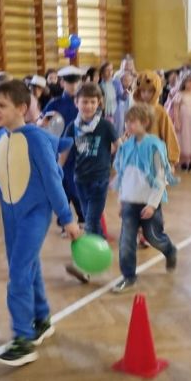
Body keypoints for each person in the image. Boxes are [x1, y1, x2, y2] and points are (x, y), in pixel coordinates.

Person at [0, 80, 83, 366]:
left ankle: (23, 338)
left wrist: (67, 218)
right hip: (10, 217)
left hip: (35, 214)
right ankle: (42, 319)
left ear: (22, 108)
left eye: (2, 105)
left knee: (19, 273)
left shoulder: (36, 139)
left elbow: (53, 181)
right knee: (28, 267)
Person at [111, 104, 178, 293]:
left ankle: (169, 250)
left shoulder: (155, 146)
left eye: (133, 122)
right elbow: (123, 176)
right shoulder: (125, 148)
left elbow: (160, 178)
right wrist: (121, 201)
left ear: (145, 122)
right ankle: (128, 276)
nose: (128, 125)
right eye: (127, 122)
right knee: (126, 241)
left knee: (154, 237)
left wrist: (152, 205)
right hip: (129, 203)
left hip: (149, 204)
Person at [60, 83, 119, 282]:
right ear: (76, 103)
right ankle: (101, 254)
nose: (88, 106)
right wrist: (57, 171)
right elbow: (65, 151)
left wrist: (117, 168)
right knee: (88, 218)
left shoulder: (105, 126)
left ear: (99, 103)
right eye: (84, 102)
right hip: (80, 180)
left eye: (93, 102)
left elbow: (118, 146)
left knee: (91, 221)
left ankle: (84, 267)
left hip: (100, 180)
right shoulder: (72, 126)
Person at [42, 66, 86, 232]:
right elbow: (44, 123)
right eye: (69, 82)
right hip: (61, 151)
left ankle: (83, 217)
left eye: (76, 82)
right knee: (62, 185)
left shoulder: (84, 103)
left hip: (81, 149)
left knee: (79, 185)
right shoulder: (55, 103)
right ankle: (64, 221)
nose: (73, 86)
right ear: (62, 83)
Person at [134, 70, 180, 169]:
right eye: (143, 91)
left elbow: (168, 134)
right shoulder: (136, 110)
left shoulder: (160, 112)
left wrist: (172, 159)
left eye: (150, 91)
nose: (146, 94)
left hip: (155, 153)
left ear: (156, 91)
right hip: (138, 153)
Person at [113, 71, 135, 137]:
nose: (127, 82)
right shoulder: (118, 91)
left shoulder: (132, 92)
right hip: (118, 116)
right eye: (125, 80)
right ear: (121, 80)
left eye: (129, 80)